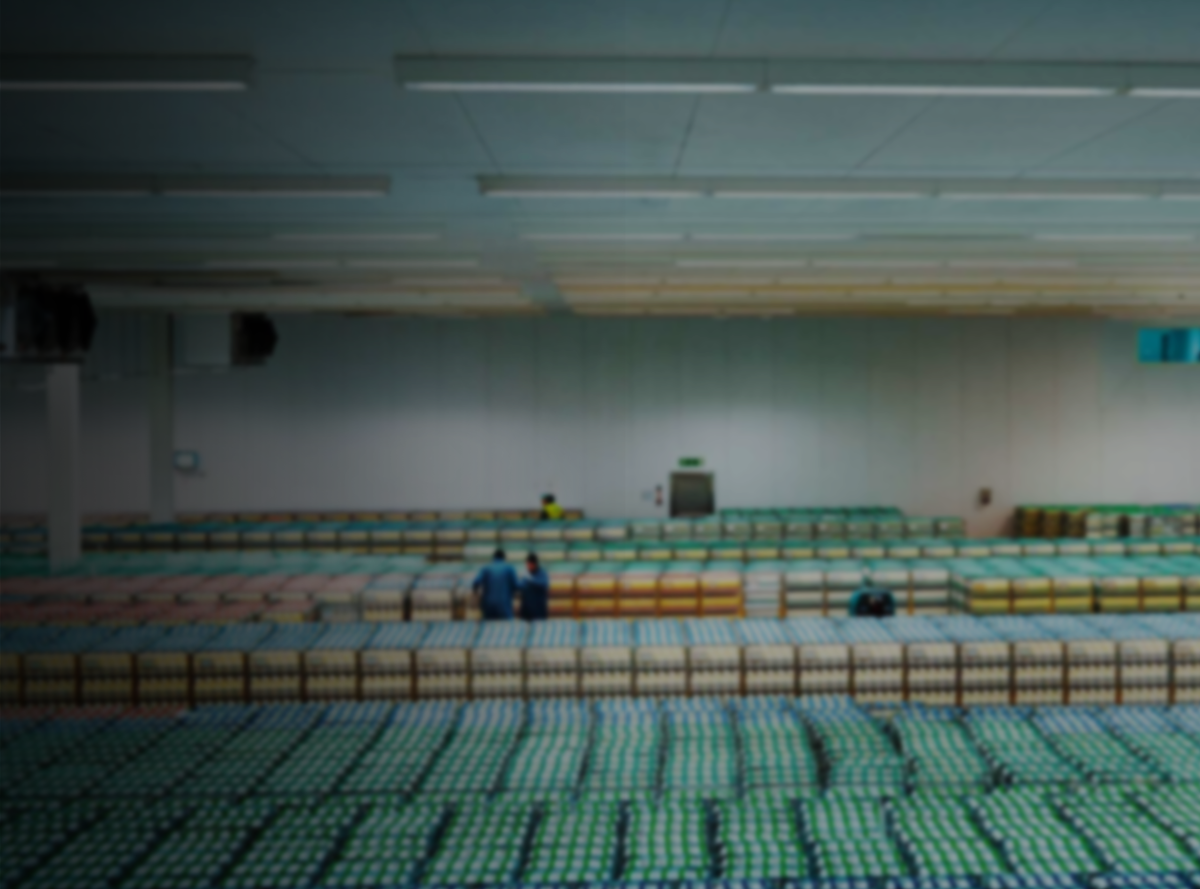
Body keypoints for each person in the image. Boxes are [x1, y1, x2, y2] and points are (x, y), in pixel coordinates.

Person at [472, 549, 518, 620]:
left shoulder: (485, 568)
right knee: (507, 627)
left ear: (493, 558)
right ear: (504, 558)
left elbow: (476, 582)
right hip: (504, 605)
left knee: (488, 627)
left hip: (488, 605)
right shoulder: (509, 568)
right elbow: (516, 585)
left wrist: (476, 594)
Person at [519, 553, 549, 621]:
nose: (528, 566)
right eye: (527, 564)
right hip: (526, 610)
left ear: (534, 564)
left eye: (530, 564)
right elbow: (520, 586)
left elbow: (543, 584)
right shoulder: (525, 575)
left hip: (538, 609)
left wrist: (531, 579)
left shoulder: (542, 573)